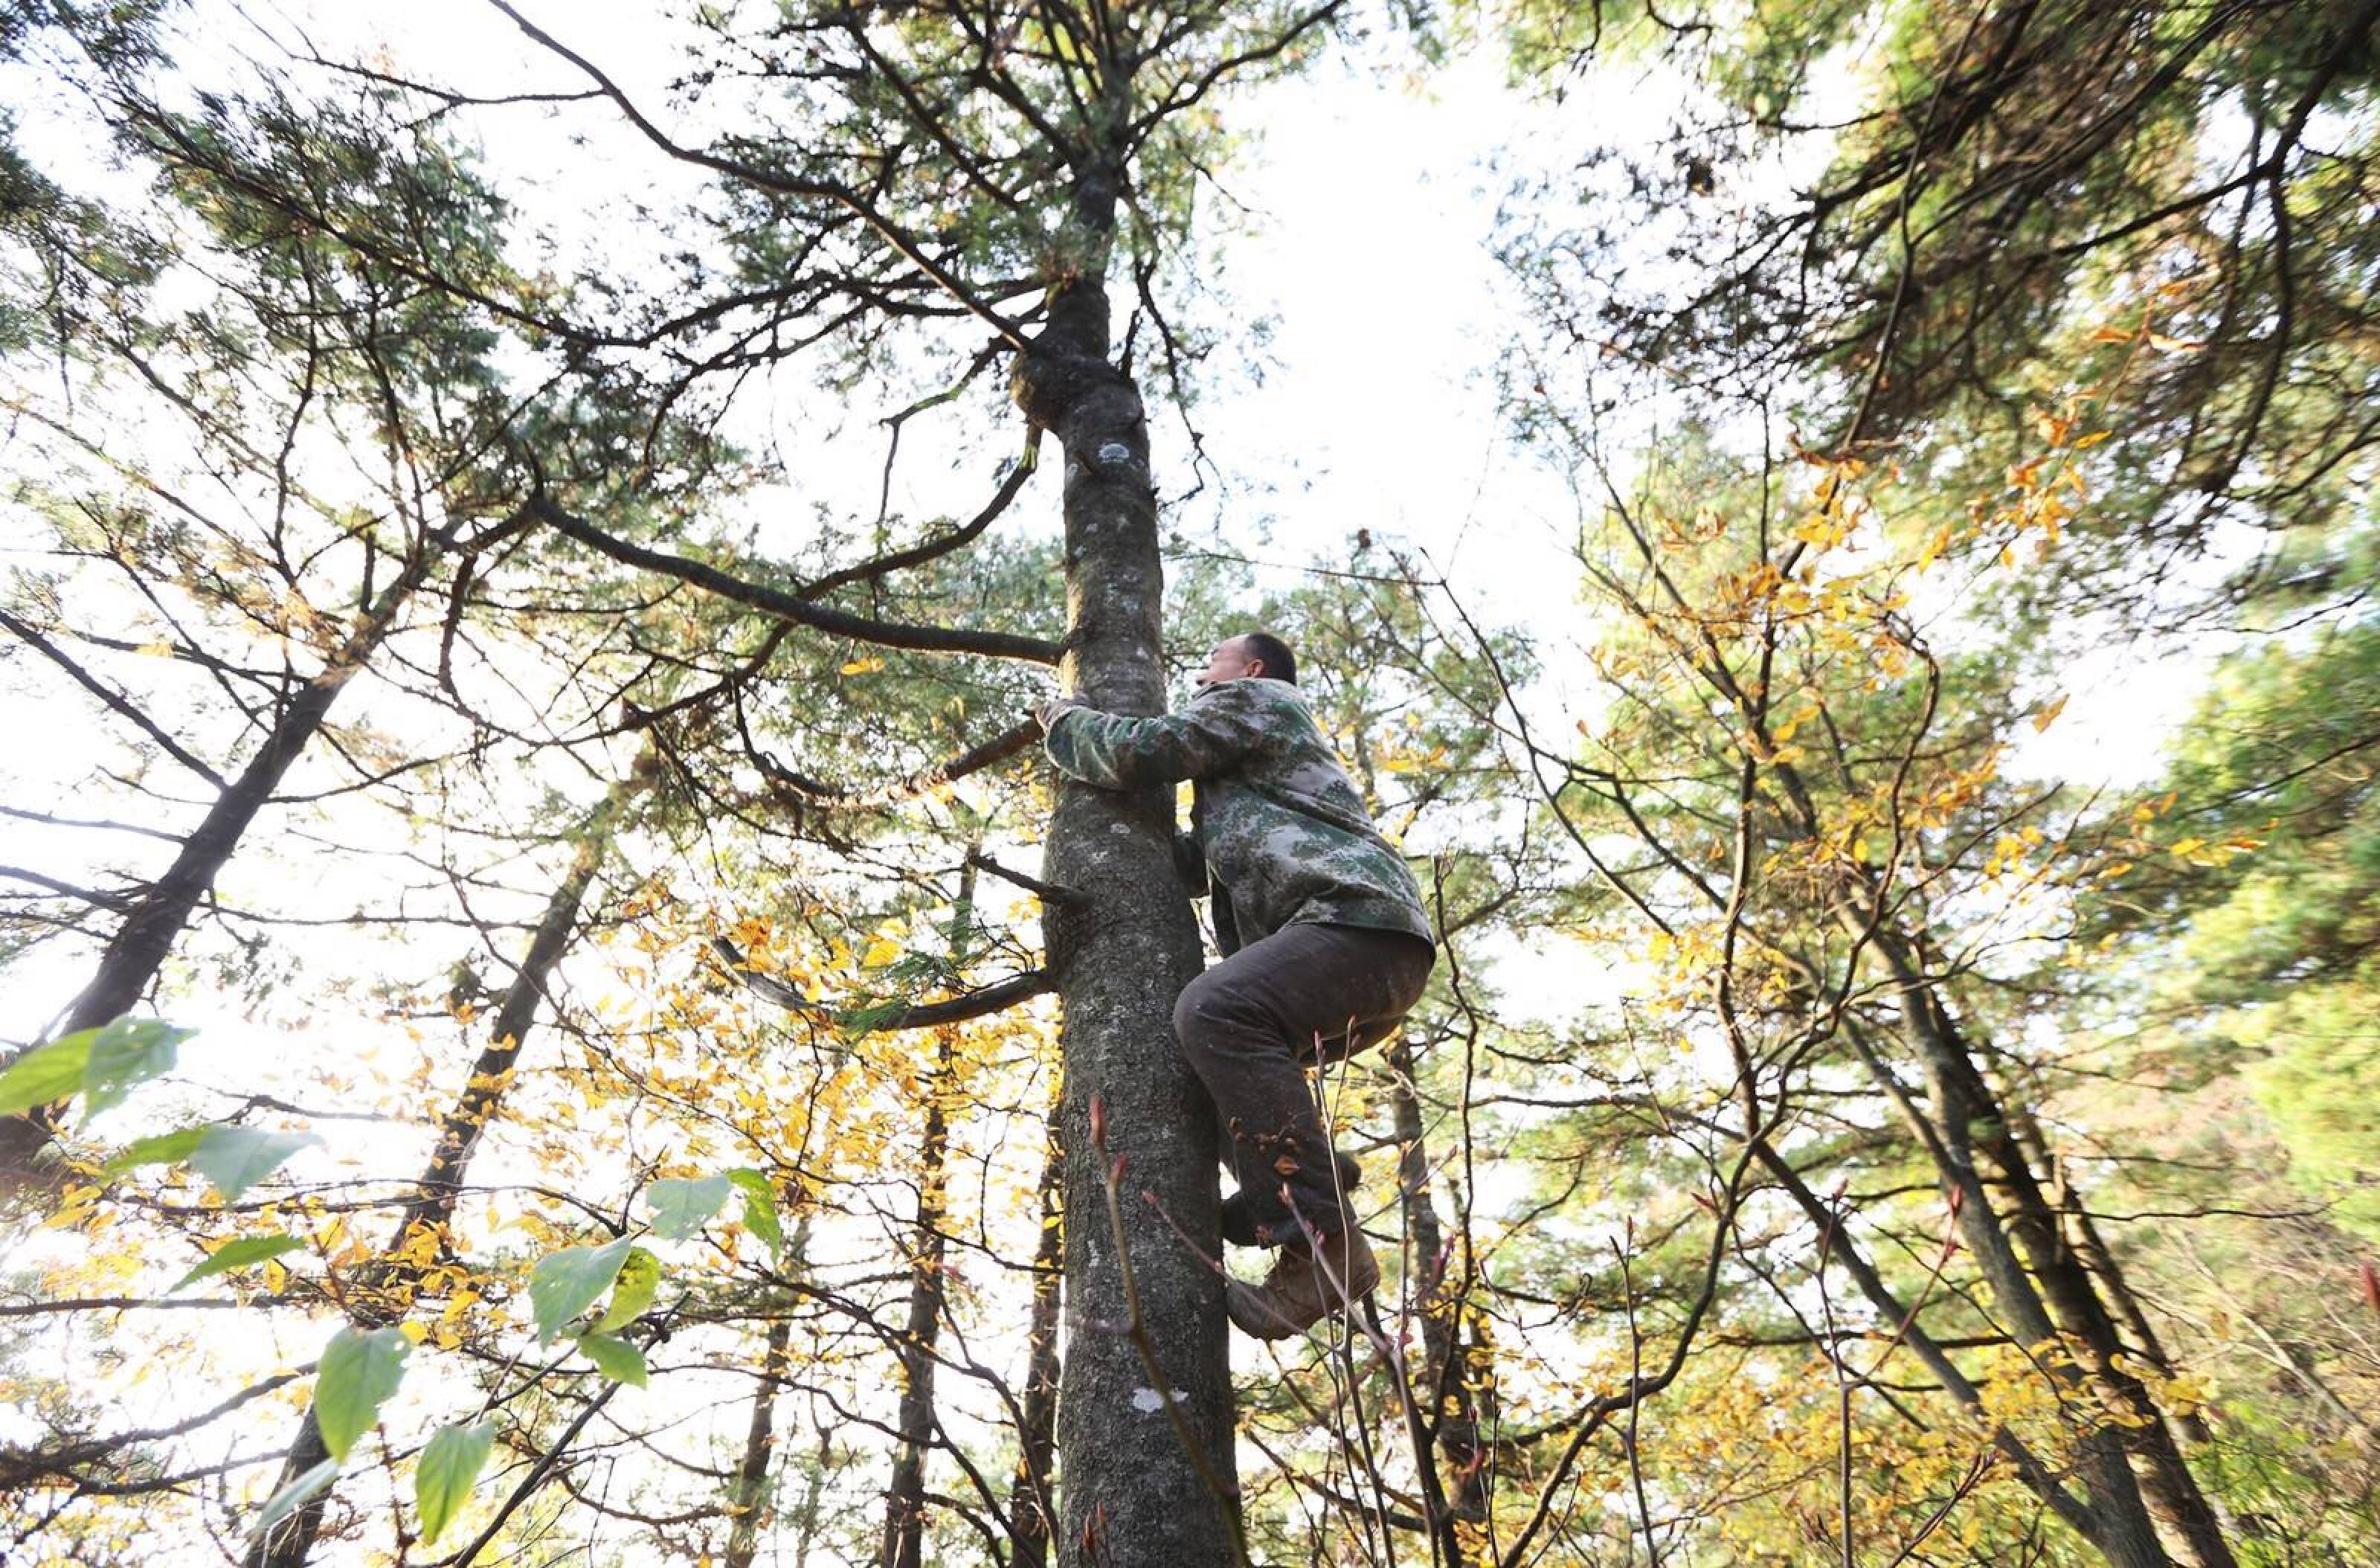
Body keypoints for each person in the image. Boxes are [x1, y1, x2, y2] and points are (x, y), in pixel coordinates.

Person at [1032, 632, 1436, 1338]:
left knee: (1215, 1009)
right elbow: (1201, 864)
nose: (1201, 675)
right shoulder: (1246, 779)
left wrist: (1065, 723)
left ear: (1249, 669)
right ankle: (1303, 1178)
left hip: (1352, 922)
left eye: (1212, 663)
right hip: (1351, 949)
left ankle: (1320, 1244)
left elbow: (1139, 751)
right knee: (1201, 1049)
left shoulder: (1258, 699)